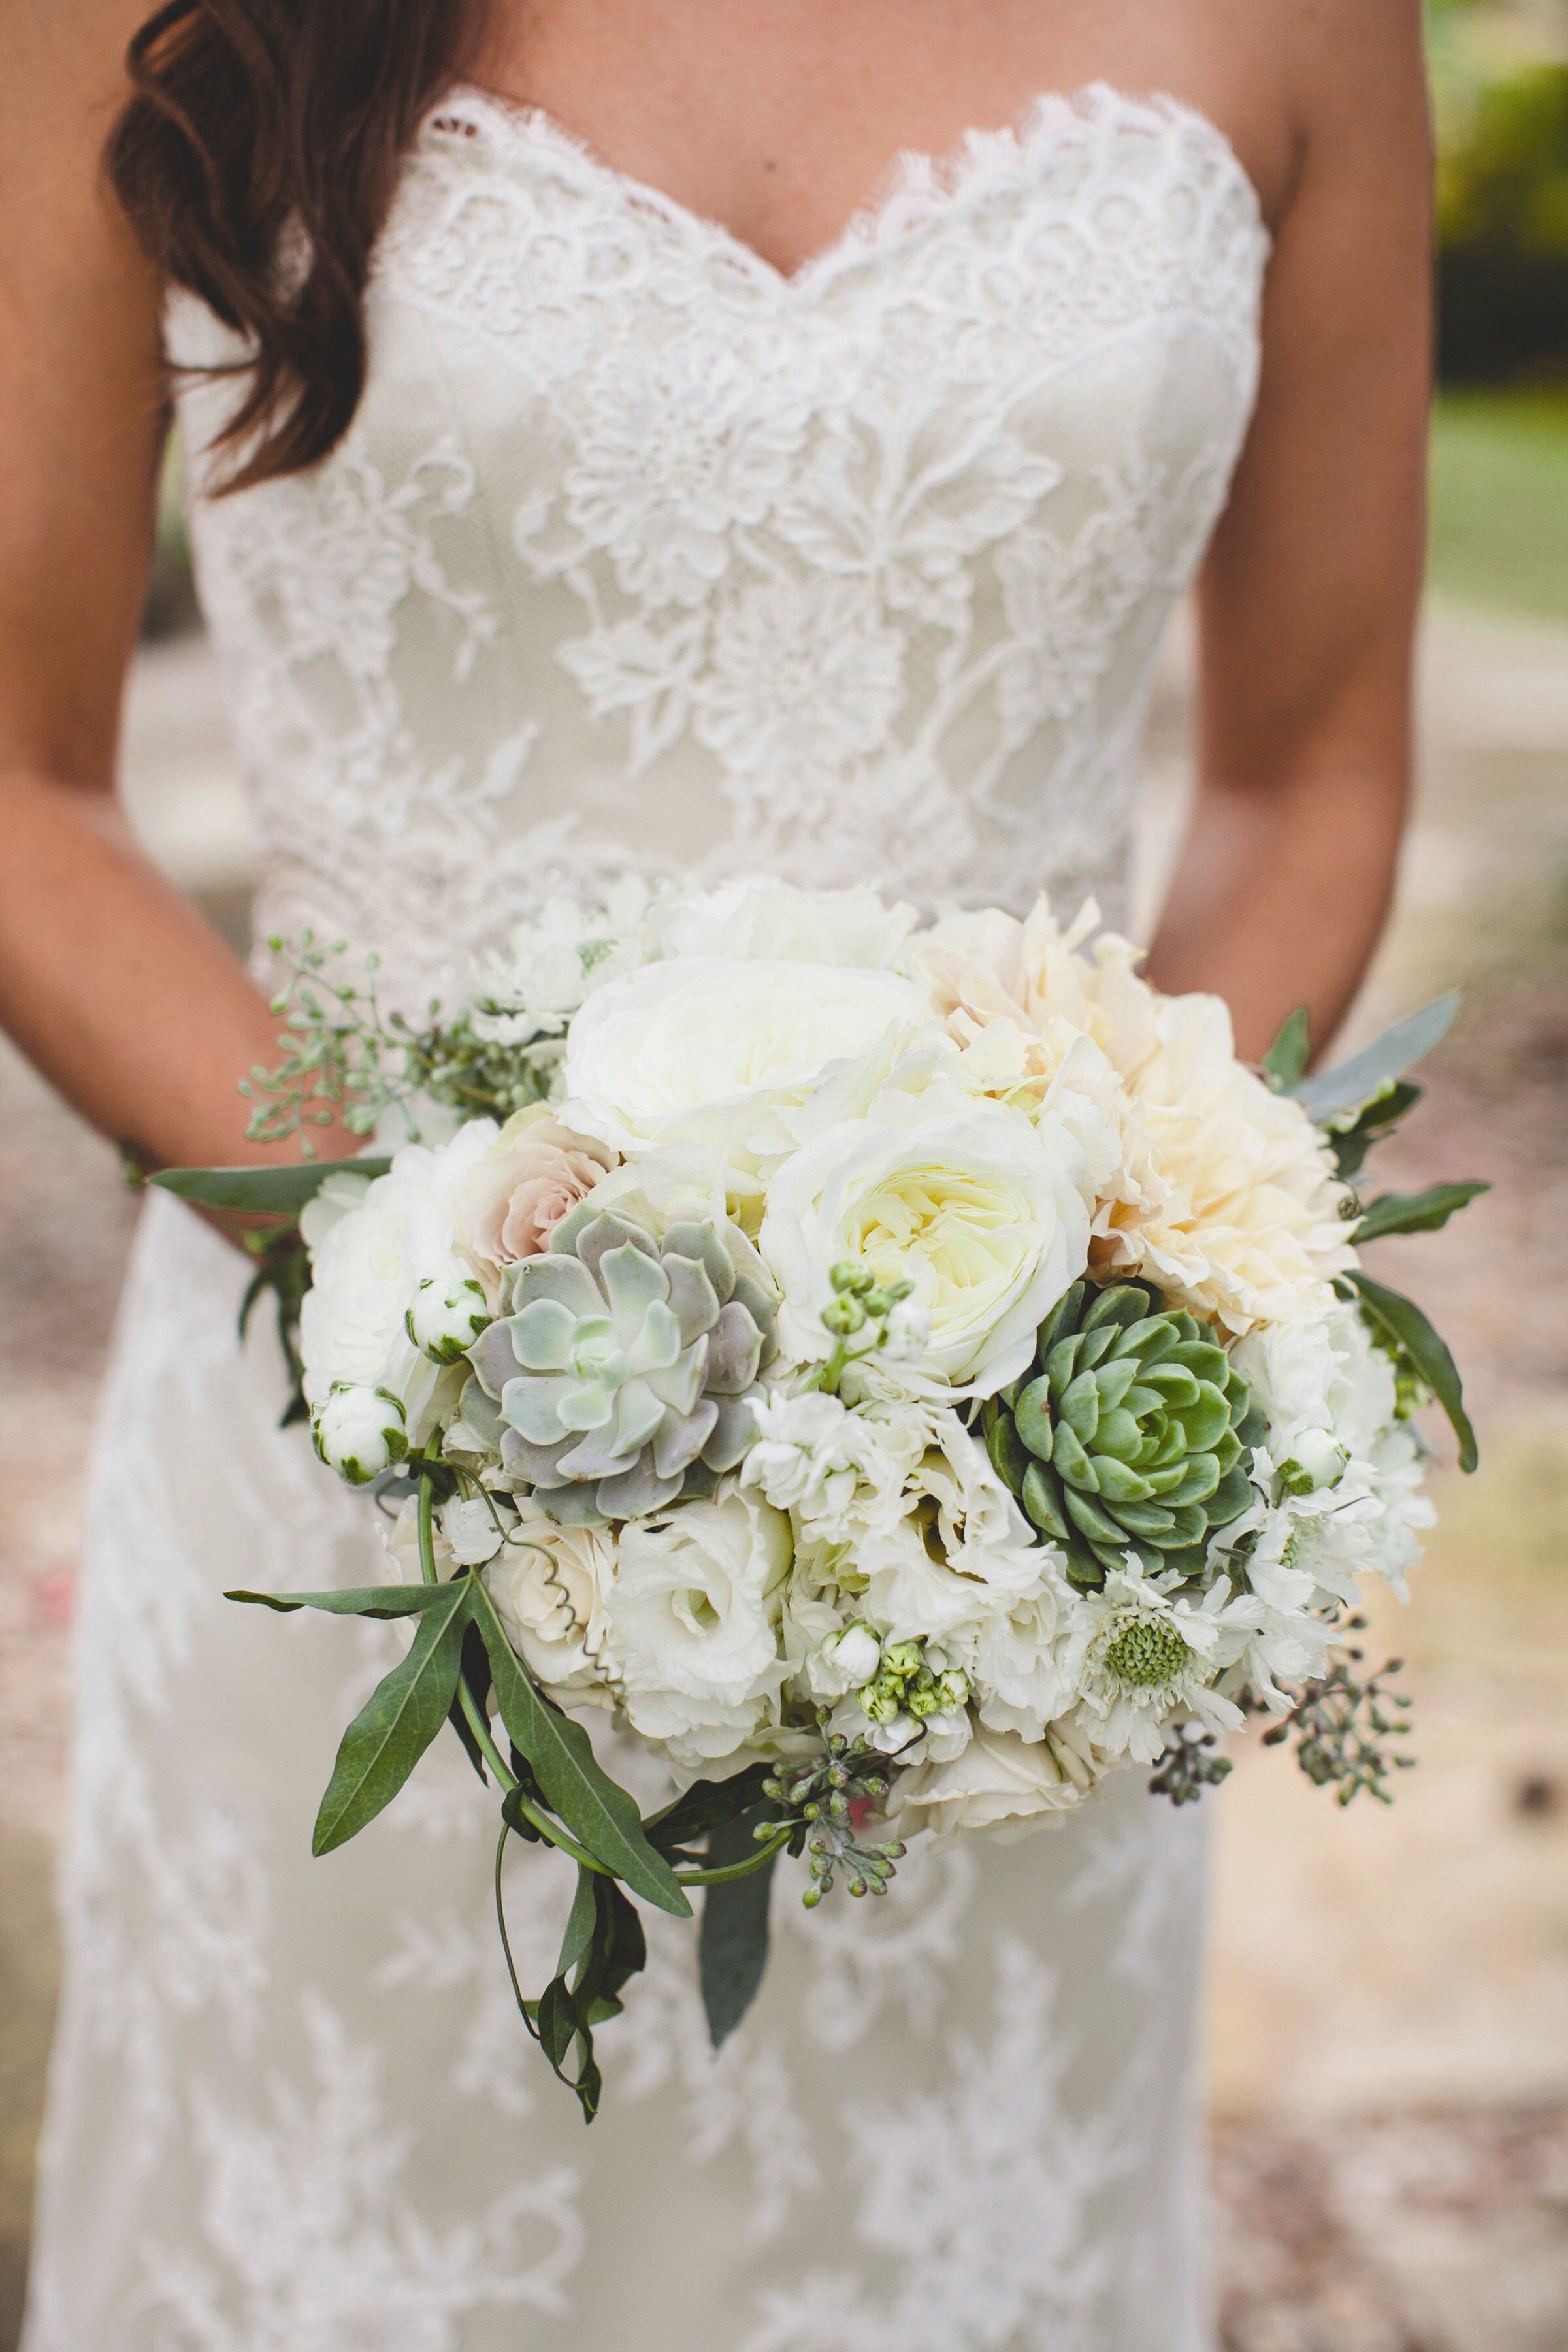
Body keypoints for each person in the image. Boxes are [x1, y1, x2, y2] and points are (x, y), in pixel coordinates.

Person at [2, 2, 1430, 2344]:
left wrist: (1088, 1322)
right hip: (354, 1485)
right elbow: (22, 787)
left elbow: (1306, 782)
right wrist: (460, 1318)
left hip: (989, 1576)